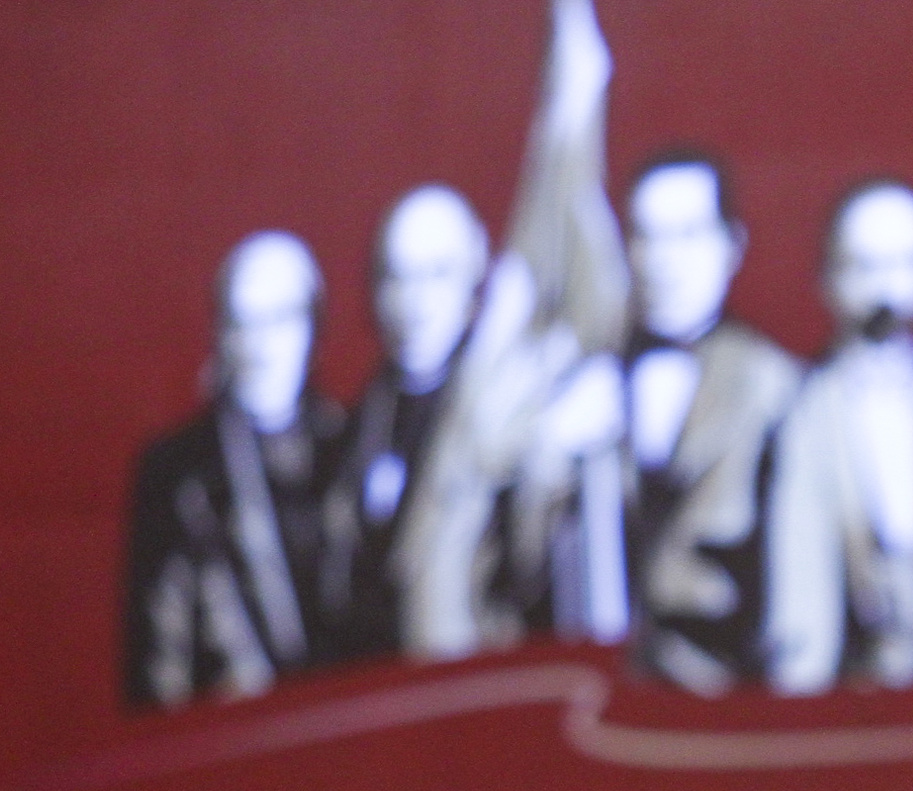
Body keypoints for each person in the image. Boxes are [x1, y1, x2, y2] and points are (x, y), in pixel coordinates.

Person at [392, 0, 629, 662]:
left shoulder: (540, 348)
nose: (414, 301)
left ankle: (572, 104)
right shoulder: (463, 391)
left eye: (435, 273)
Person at [763, 181, 913, 693]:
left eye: (906, 264)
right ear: (827, 278)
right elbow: (799, 598)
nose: (887, 291)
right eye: (863, 267)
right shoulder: (804, 416)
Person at [122, 230, 346, 708]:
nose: (258, 346)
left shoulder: (349, 444)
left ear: (314, 327)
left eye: (279, 320)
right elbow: (161, 654)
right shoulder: (176, 470)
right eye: (241, 324)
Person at [618, 150, 803, 693]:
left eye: (687, 235)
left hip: (726, 698)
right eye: (646, 236)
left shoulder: (775, 387)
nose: (662, 261)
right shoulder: (591, 380)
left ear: (731, 246)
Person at [324, 185, 489, 662]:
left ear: (475, 271)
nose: (414, 301)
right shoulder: (360, 425)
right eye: (397, 278)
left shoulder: (506, 416)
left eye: (437, 274)